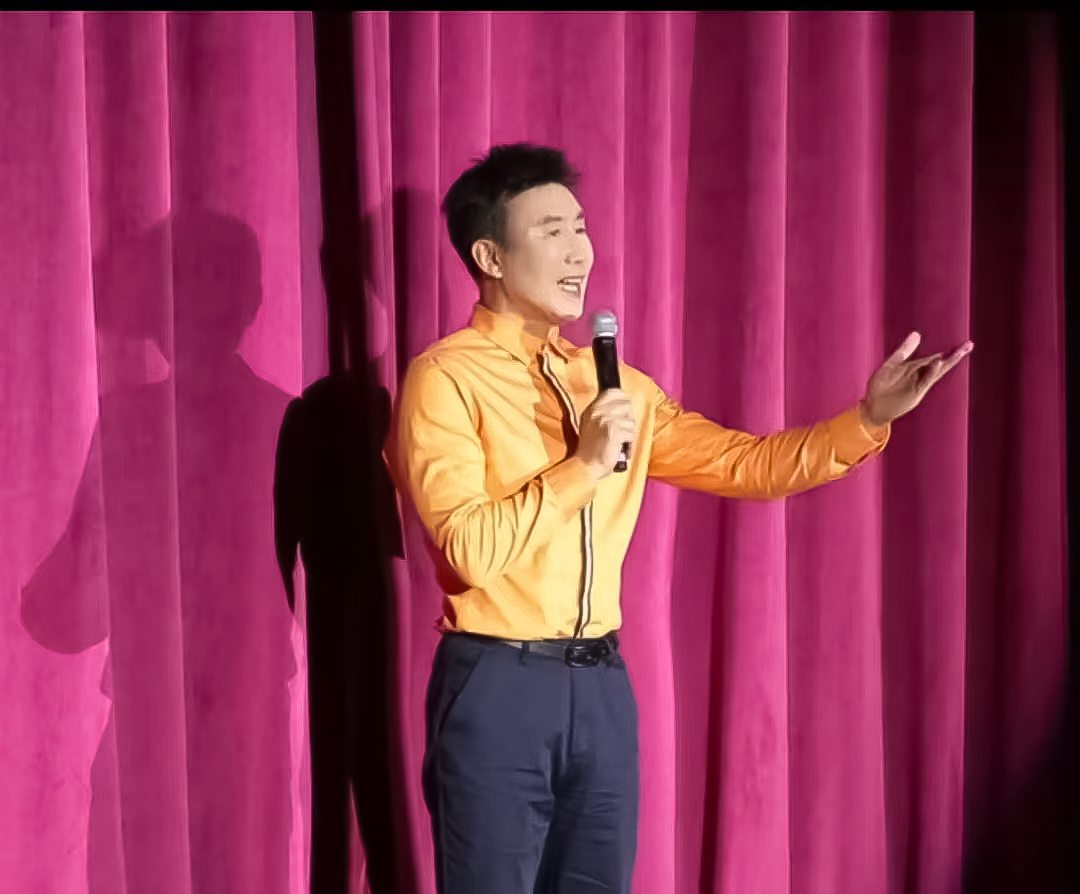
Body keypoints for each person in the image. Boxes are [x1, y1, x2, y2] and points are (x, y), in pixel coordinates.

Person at [387, 143, 972, 894]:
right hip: (499, 682)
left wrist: (866, 419)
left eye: (581, 228)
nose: (579, 252)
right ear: (490, 256)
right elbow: (468, 548)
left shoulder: (617, 386)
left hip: (602, 686)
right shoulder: (446, 377)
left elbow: (747, 465)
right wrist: (583, 467)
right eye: (552, 232)